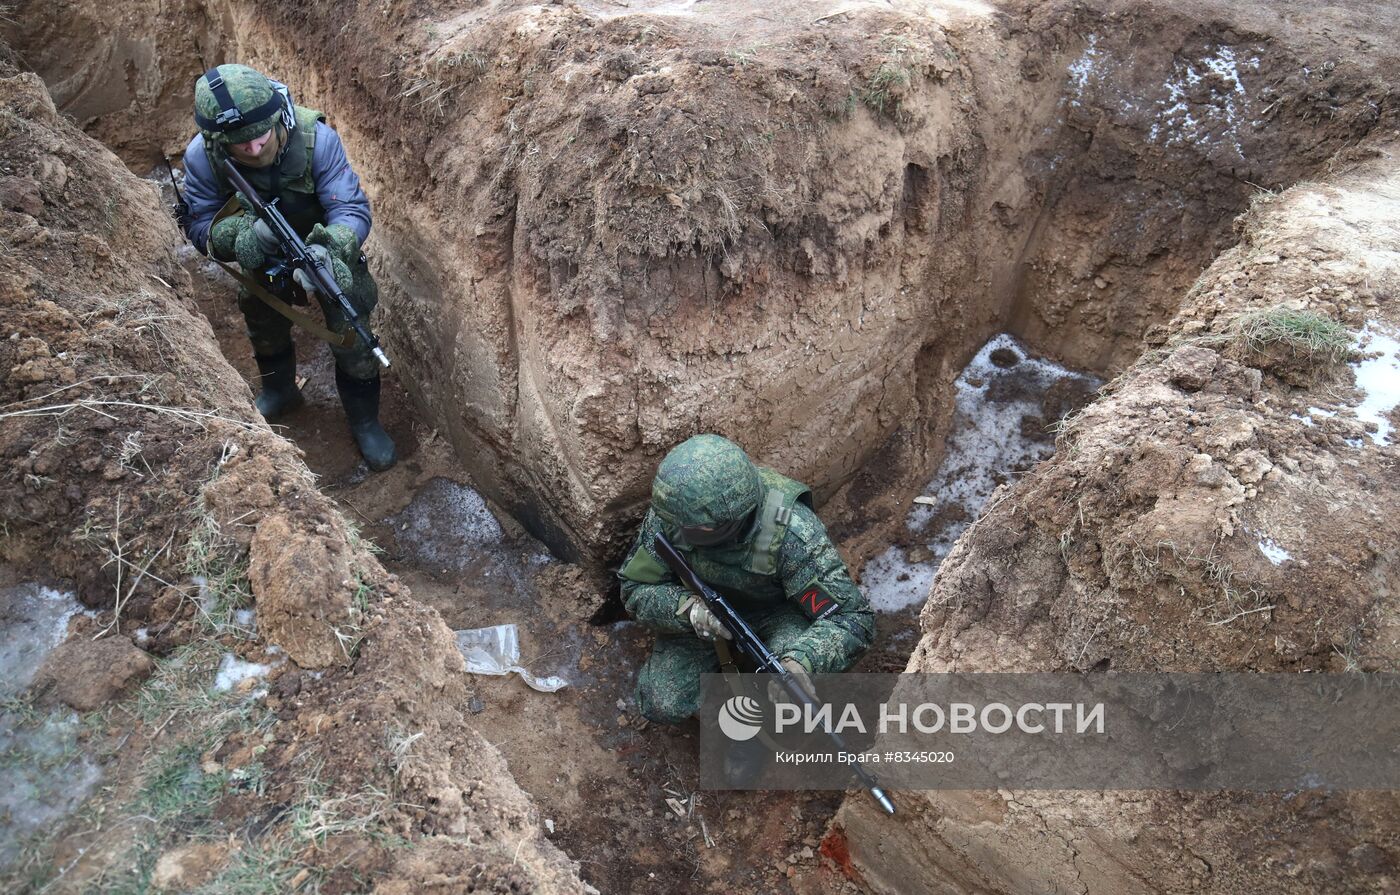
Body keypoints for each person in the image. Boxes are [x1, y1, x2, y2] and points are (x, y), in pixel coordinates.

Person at [181, 63, 395, 470]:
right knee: (262, 320)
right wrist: (248, 236)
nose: (255, 150)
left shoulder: (317, 139)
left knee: (352, 330)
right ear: (218, 140)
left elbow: (349, 207)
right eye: (241, 147)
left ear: (279, 116)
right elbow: (199, 226)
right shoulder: (203, 157)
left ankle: (366, 422)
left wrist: (332, 248)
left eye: (261, 138)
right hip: (261, 259)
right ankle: (280, 391)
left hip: (321, 253)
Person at [618, 434, 875, 724]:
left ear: (732, 519)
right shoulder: (675, 514)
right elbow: (635, 587)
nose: (678, 531)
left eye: (694, 529)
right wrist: (688, 610)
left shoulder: (791, 533)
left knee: (791, 699)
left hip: (779, 615)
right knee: (661, 702)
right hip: (704, 615)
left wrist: (801, 662)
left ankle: (756, 732)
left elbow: (852, 619)